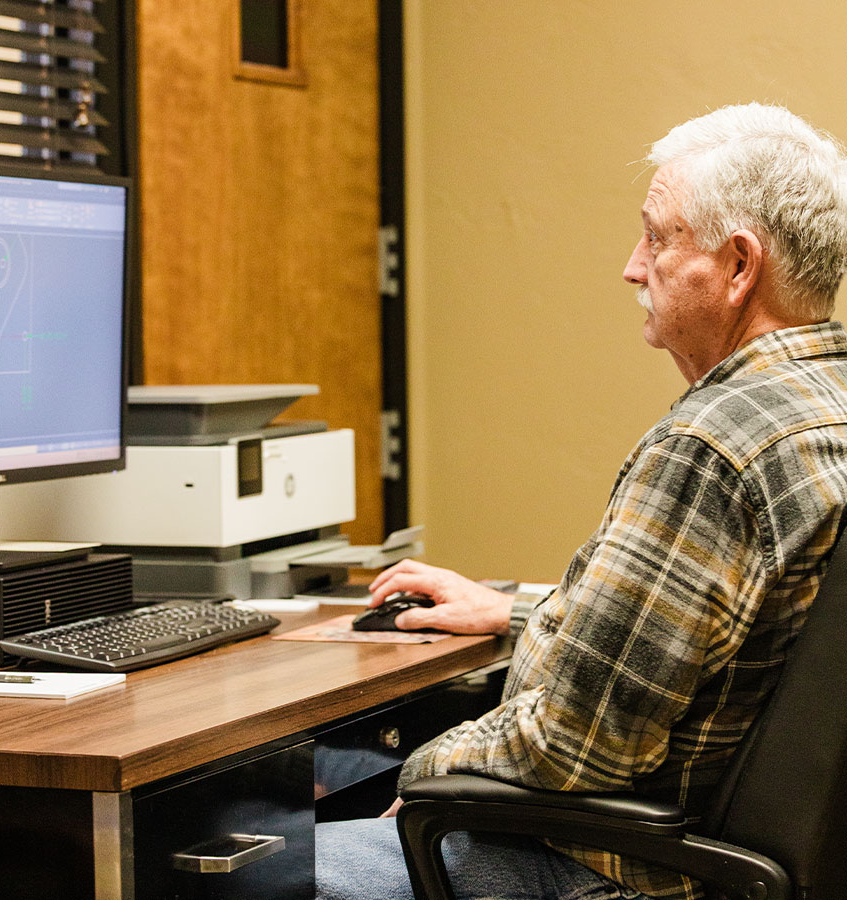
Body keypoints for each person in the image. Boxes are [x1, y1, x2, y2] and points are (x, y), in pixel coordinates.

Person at [315, 103, 847, 900]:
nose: (634, 267)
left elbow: (580, 746)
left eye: (658, 236)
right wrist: (520, 615)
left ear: (739, 267)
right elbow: (736, 643)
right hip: (724, 857)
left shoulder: (714, 445)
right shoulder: (820, 404)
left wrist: (425, 777)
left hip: (606, 868)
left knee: (219, 867)